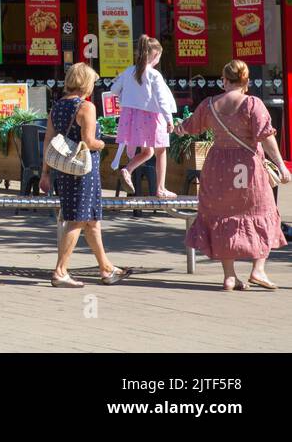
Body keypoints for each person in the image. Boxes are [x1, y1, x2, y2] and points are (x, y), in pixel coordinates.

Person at [178, 60, 290, 290]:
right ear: (246, 80)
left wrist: (175, 127)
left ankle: (229, 276)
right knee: (264, 212)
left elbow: (189, 127)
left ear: (224, 80)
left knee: (221, 217)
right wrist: (281, 165)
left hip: (217, 166)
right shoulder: (252, 104)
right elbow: (266, 137)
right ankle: (258, 270)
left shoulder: (210, 104)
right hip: (248, 168)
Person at [40, 62, 131, 288]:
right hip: (84, 171)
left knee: (91, 221)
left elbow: (48, 141)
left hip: (65, 169)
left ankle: (106, 268)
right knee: (77, 220)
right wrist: (103, 144)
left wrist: (45, 173)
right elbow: (89, 141)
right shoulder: (86, 107)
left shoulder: (57, 107)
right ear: (85, 83)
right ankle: (60, 271)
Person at [110, 35, 178, 198]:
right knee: (160, 151)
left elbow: (113, 90)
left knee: (147, 152)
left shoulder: (128, 71)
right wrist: (169, 119)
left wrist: (124, 97)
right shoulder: (154, 75)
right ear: (156, 55)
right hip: (153, 117)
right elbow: (162, 100)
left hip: (132, 117)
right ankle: (160, 188)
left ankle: (127, 170)